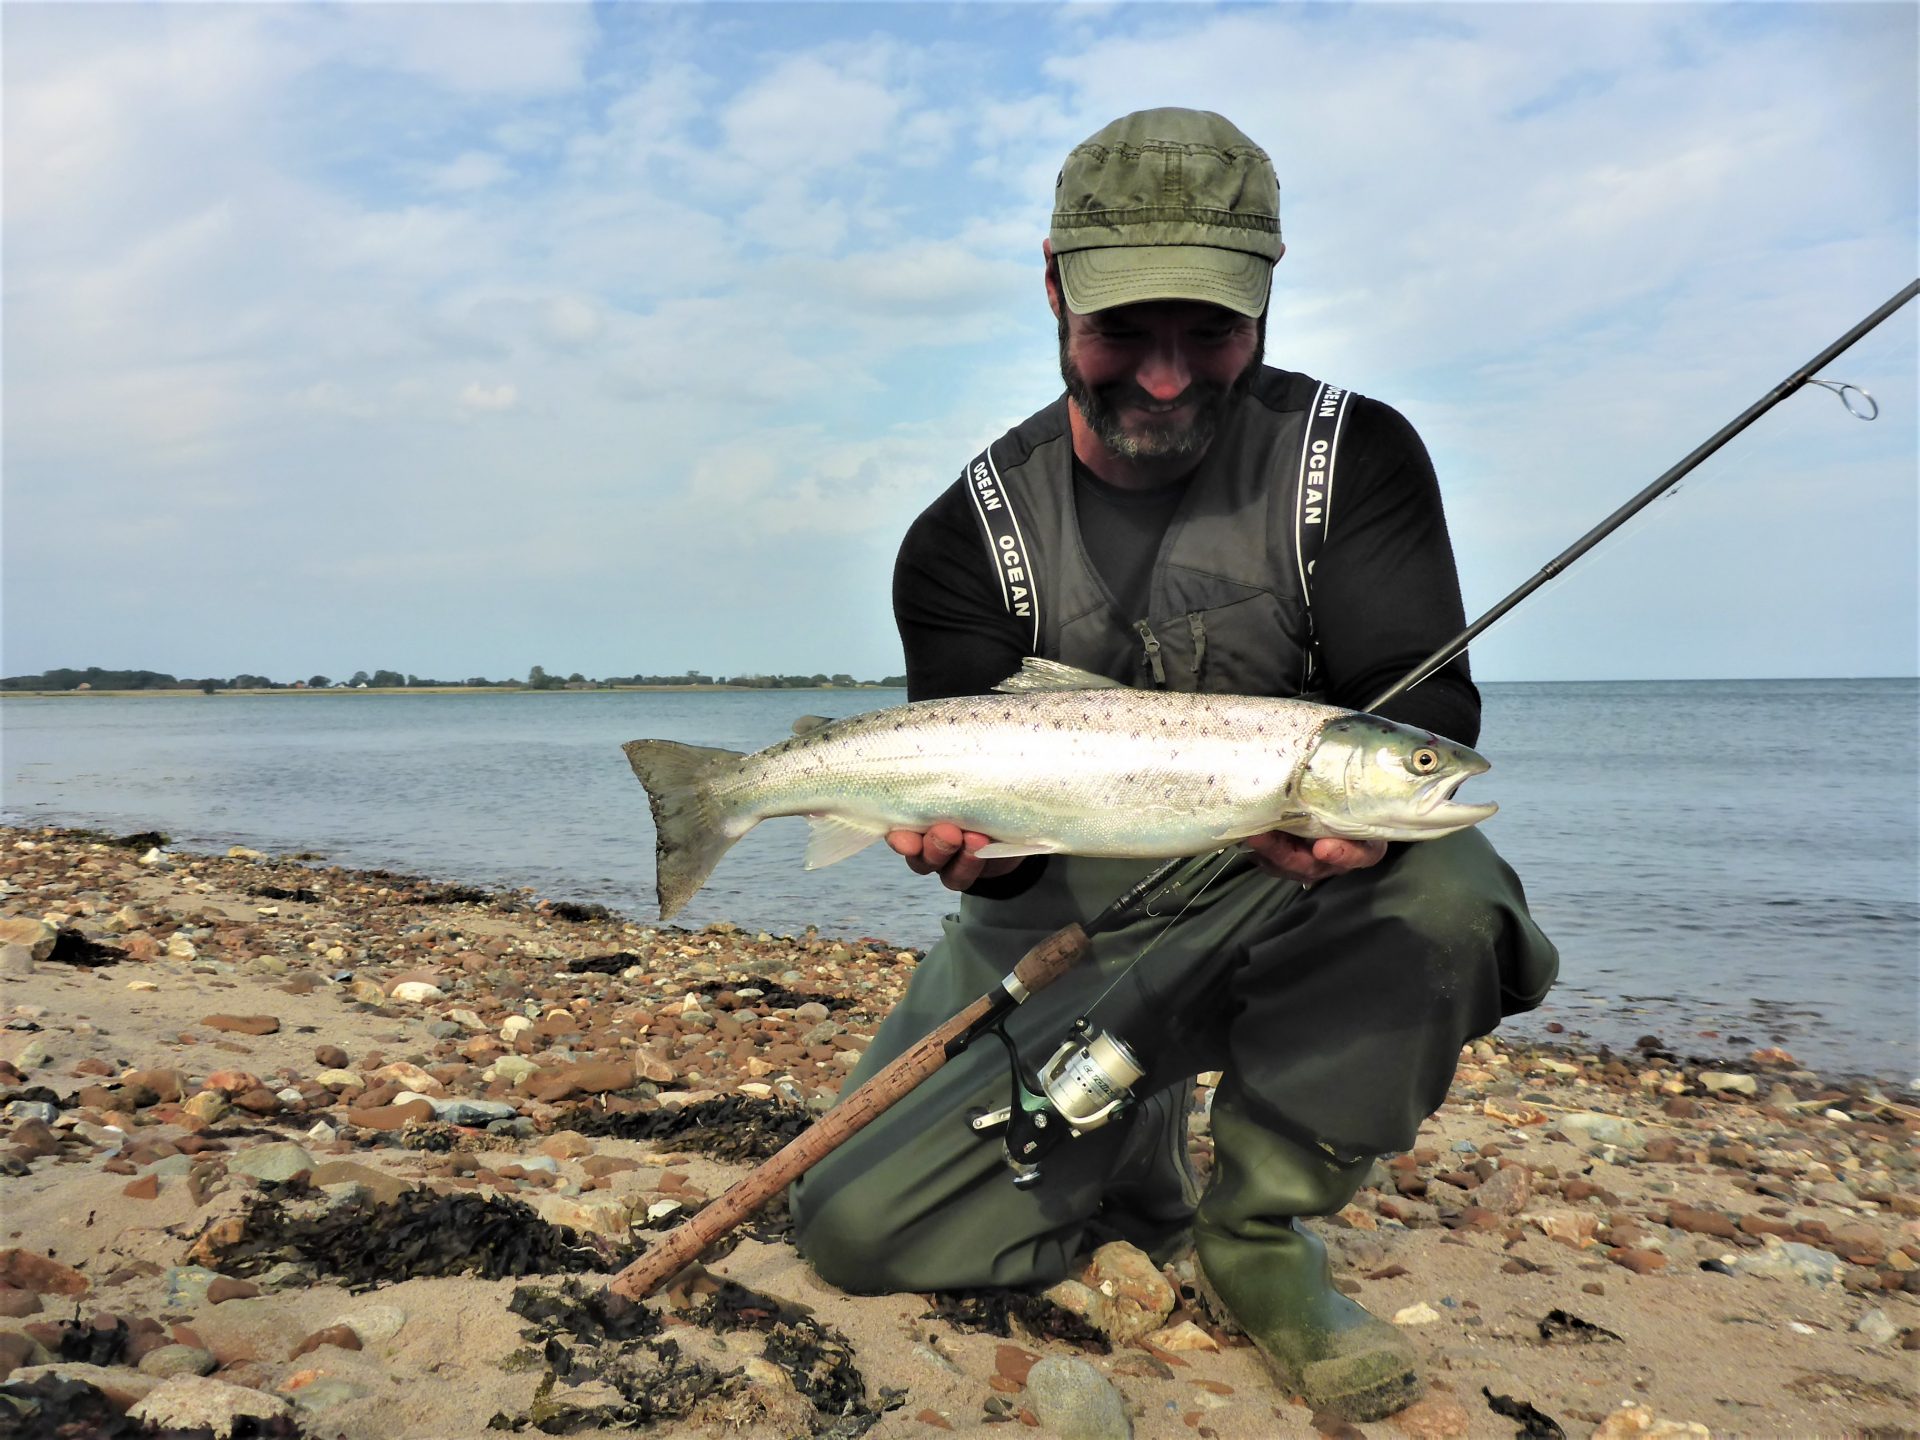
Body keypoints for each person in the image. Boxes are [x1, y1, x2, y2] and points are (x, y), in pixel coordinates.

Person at [790, 107, 1558, 1425]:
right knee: (855, 1228)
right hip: (1071, 923)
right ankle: (1131, 1132)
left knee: (1448, 889)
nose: (1162, 378)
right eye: (1121, 332)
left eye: (1208, 333)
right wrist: (954, 844)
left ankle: (1260, 1233)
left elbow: (1431, 709)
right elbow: (989, 855)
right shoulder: (961, 538)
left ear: (1266, 303)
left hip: (1289, 895)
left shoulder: (1352, 461)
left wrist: (1373, 825)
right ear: (1050, 290)